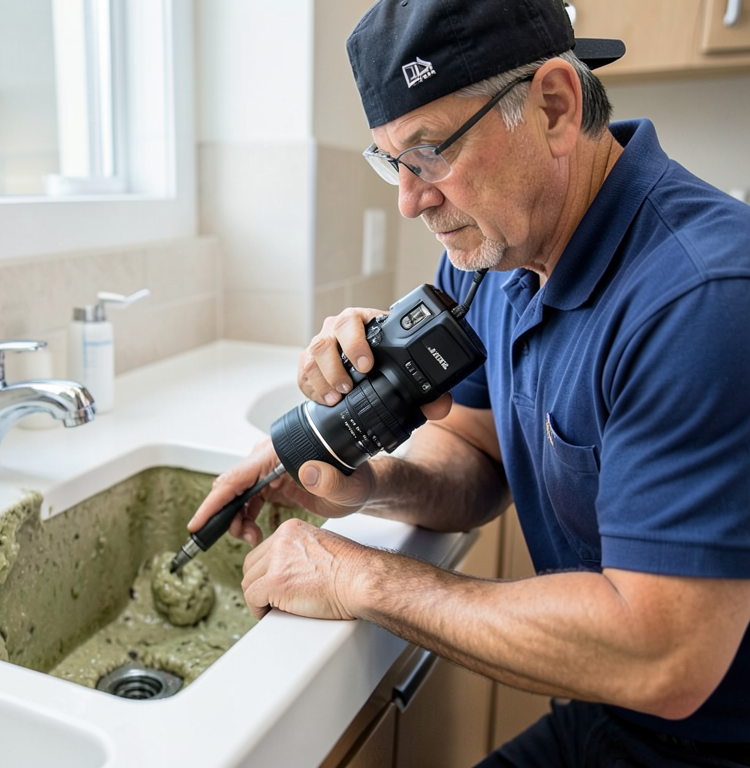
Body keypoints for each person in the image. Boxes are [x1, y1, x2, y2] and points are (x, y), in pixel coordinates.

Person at [188, 1, 750, 765]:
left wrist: (363, 577)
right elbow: (477, 455)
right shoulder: (497, 255)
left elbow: (663, 657)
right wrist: (362, 483)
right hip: (609, 716)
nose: (409, 201)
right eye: (392, 161)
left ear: (554, 106)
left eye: (429, 154)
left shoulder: (701, 298)